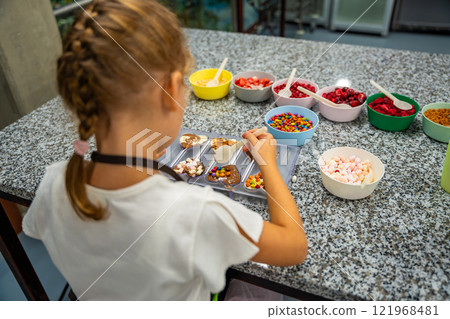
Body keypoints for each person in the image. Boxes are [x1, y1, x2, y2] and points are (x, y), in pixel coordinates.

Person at [22, 0, 307, 300]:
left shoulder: (54, 183)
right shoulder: (197, 213)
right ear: (172, 90)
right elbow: (295, 246)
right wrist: (269, 167)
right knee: (261, 285)